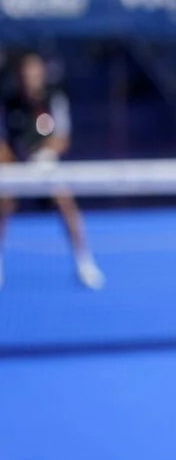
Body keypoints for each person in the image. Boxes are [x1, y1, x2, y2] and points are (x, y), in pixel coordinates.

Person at [0, 52, 105, 290]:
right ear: (19, 76)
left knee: (65, 202)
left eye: (35, 72)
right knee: (2, 203)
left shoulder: (54, 99)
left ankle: (84, 261)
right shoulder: (8, 102)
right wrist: (11, 163)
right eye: (26, 73)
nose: (30, 78)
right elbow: (2, 142)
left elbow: (62, 138)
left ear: (42, 74)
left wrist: (42, 155)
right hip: (14, 167)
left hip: (45, 166)